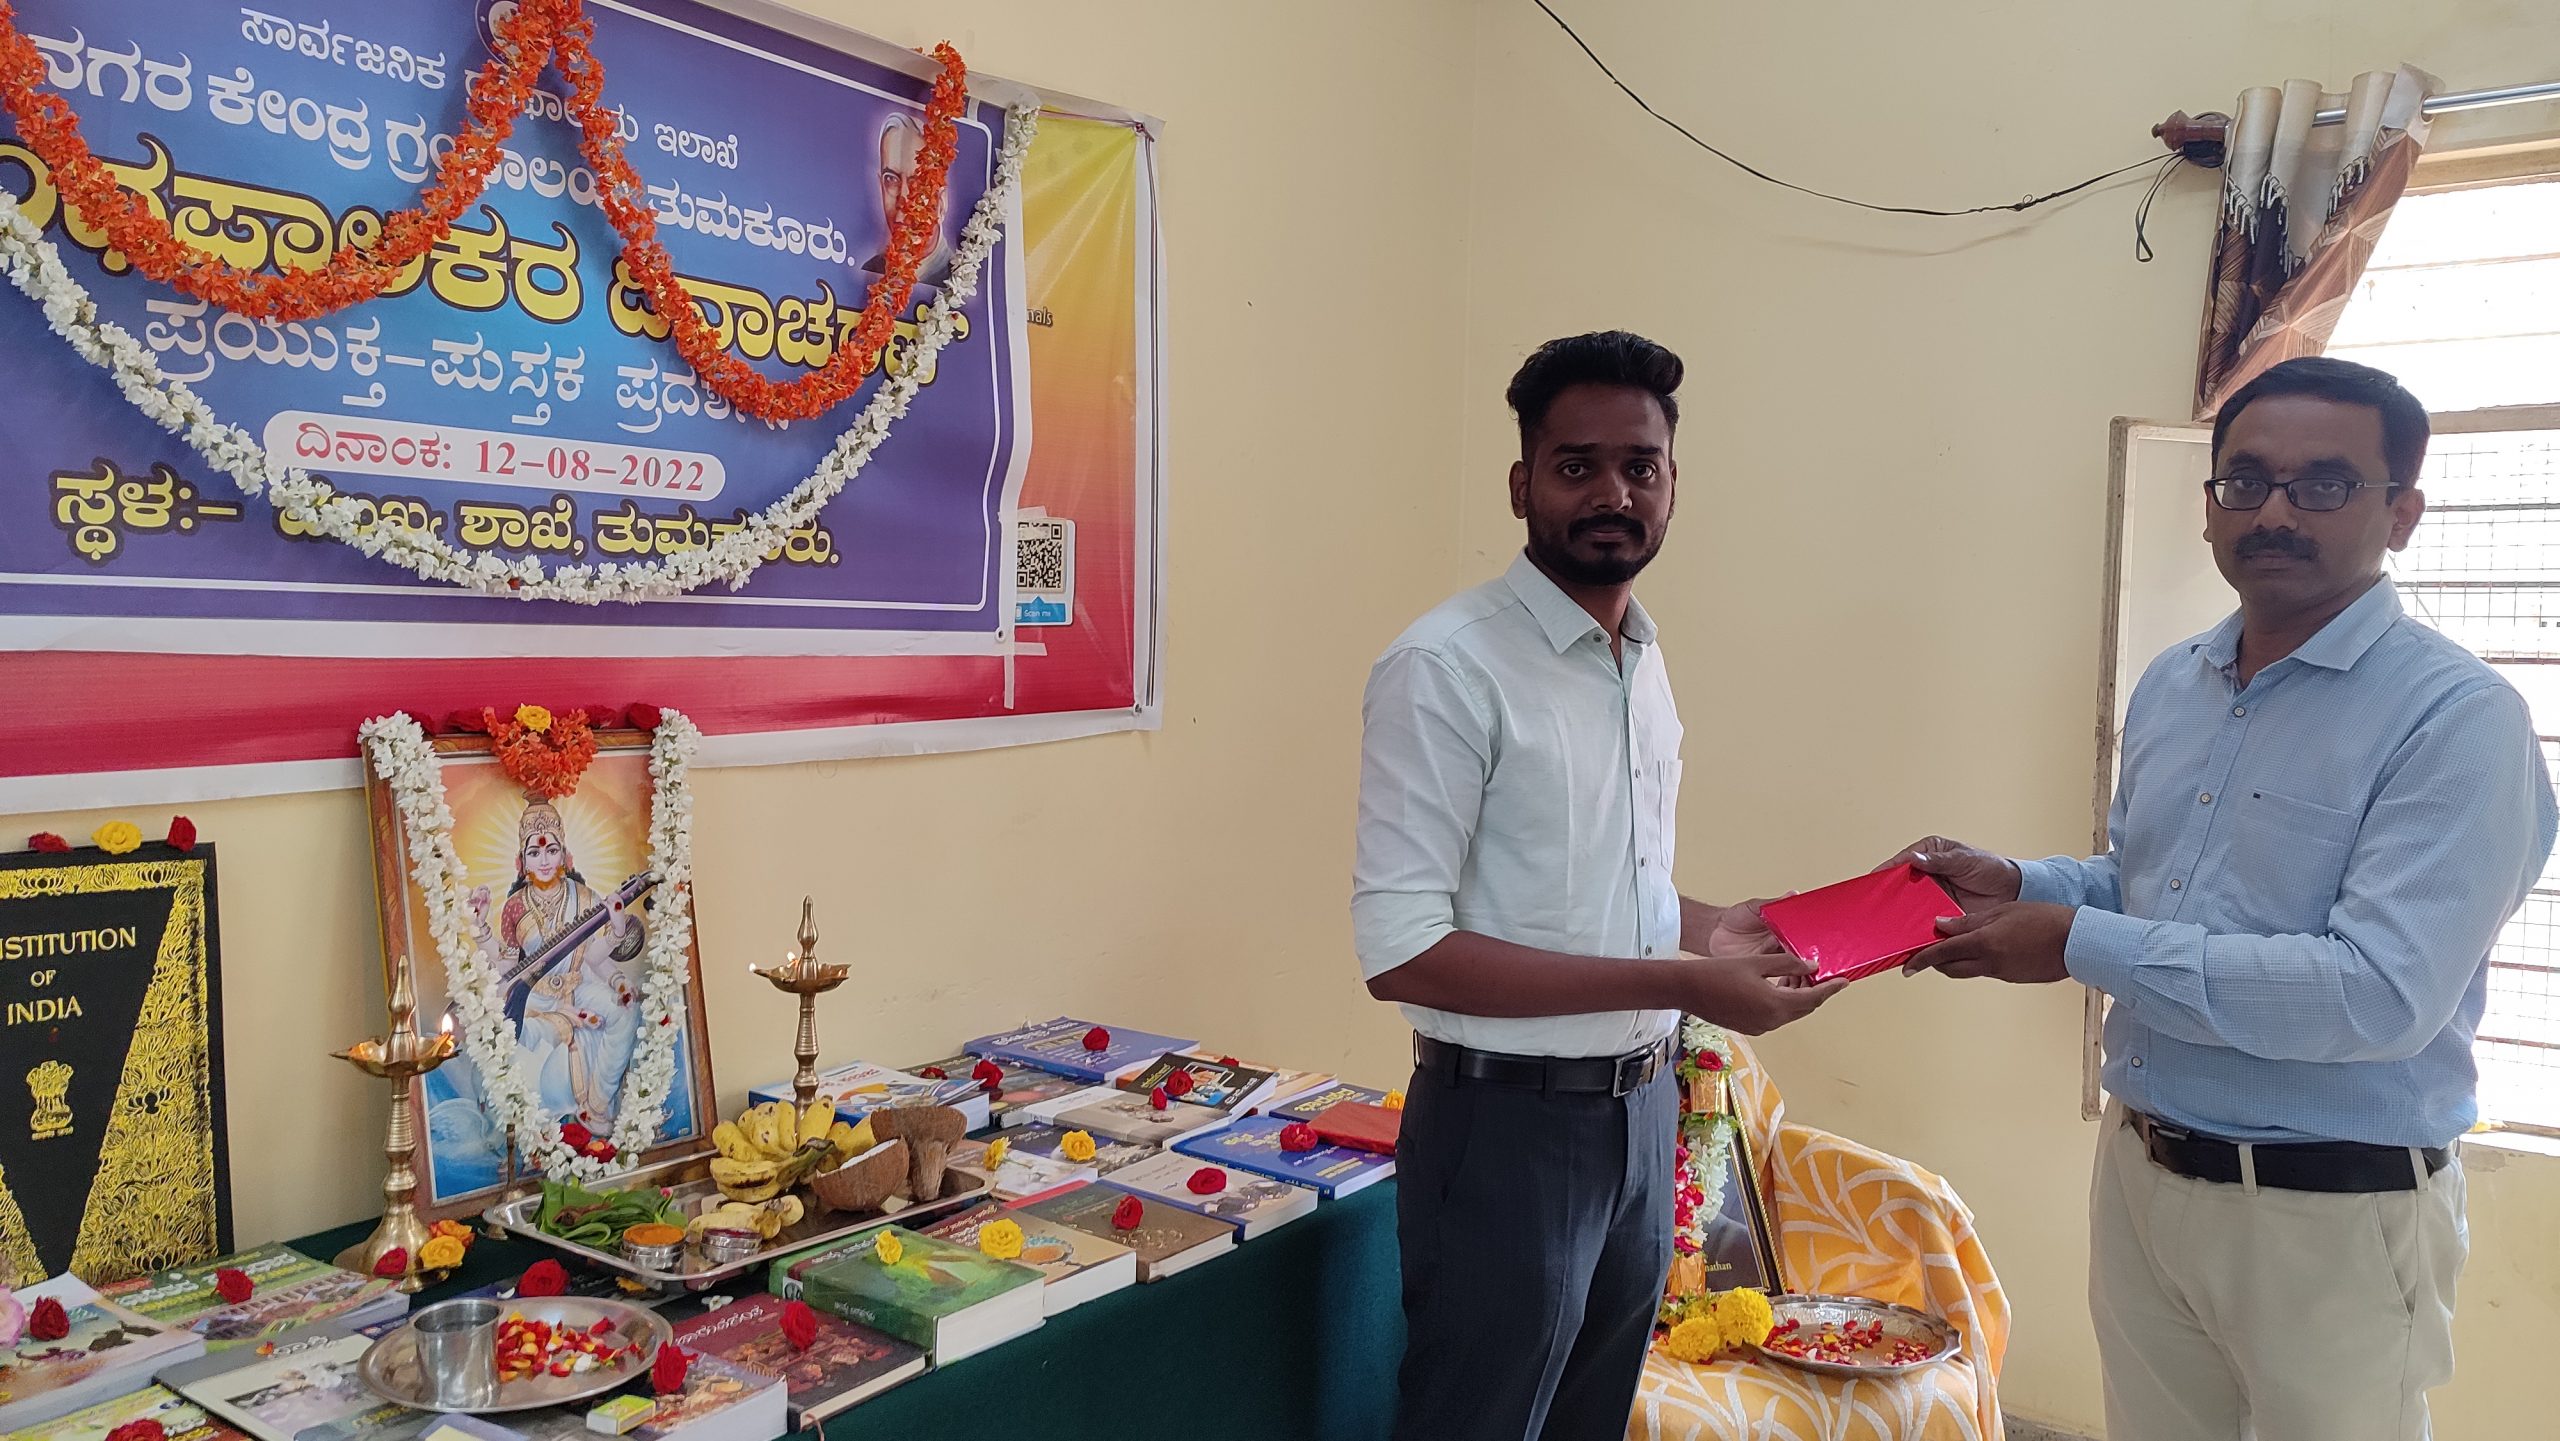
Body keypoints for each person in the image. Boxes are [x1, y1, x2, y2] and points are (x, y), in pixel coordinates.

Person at [1894, 356, 2557, 1441]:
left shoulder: (2456, 719)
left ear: (2402, 512)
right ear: (2208, 506)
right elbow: (2150, 885)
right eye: (2244, 481)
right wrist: (2022, 885)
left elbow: (2376, 994)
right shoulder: (2177, 681)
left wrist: (2075, 939)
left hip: (2329, 1215)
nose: (2275, 512)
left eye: (2323, 484)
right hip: (2143, 1176)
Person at [1353, 331, 1844, 1441]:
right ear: (1522, 484)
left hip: (1642, 1112)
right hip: (1504, 1129)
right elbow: (1401, 951)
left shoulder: (1640, 656)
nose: (1612, 493)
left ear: (1672, 485)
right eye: (1576, 466)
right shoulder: (1445, 667)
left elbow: (1607, 888)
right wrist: (1682, 979)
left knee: (1591, 1421)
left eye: (1639, 466)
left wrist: (1723, 929)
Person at [858, 114, 955, 288]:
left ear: (941, 202)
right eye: (891, 179)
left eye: (917, 183)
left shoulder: (957, 277)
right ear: (881, 186)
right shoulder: (872, 269)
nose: (903, 201)